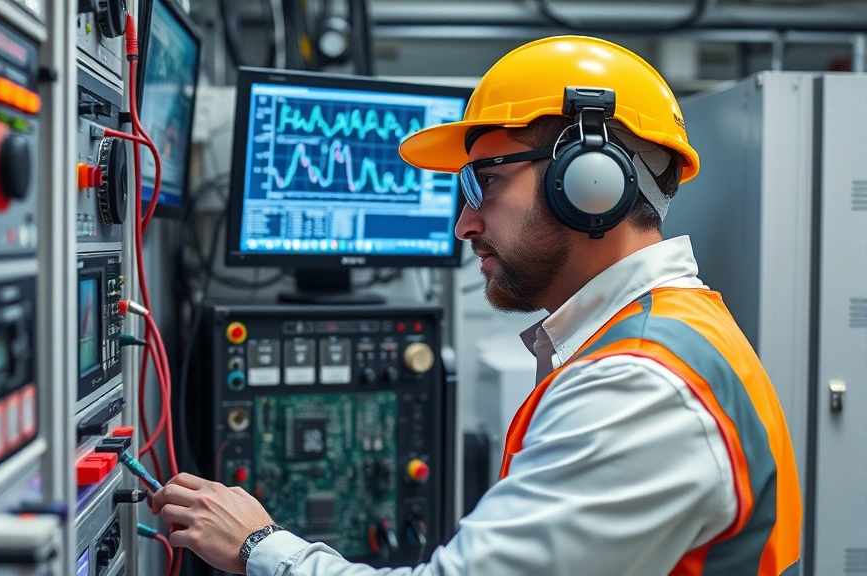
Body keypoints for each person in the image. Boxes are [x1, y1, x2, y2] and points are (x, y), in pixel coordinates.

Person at [149, 36, 803, 575]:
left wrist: (260, 547)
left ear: (589, 180)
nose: (463, 223)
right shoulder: (653, 337)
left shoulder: (639, 386)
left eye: (483, 183)